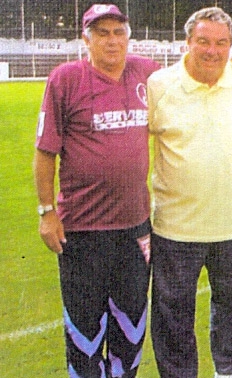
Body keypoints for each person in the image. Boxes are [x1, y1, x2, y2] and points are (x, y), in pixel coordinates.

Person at [32, 4, 159, 377]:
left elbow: (195, 71)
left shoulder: (147, 72)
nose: (111, 40)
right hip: (82, 232)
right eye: (101, 32)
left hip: (135, 229)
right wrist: (46, 212)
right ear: (85, 38)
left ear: (128, 36)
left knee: (131, 329)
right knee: (85, 332)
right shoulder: (65, 79)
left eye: (118, 32)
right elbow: (44, 153)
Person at [147, 7, 232, 378]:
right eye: (203, 41)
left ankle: (228, 372)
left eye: (221, 43)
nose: (212, 50)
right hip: (175, 228)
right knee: (172, 315)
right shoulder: (159, 85)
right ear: (188, 42)